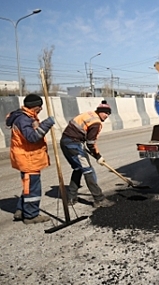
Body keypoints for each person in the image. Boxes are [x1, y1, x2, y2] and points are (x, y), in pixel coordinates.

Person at [6, 94, 55, 224]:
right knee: (33, 189)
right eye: (40, 107)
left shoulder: (26, 117)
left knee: (29, 186)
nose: (41, 109)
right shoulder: (23, 120)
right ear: (35, 107)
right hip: (28, 159)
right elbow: (32, 137)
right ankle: (31, 215)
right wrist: (46, 124)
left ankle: (20, 210)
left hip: (28, 157)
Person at [60, 100, 115, 208]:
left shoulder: (88, 114)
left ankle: (71, 197)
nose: (107, 116)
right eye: (106, 113)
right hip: (74, 144)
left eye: (109, 114)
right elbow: (91, 143)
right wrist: (98, 156)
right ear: (100, 112)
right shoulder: (96, 123)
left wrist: (96, 155)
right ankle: (99, 199)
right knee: (88, 170)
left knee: (78, 169)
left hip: (65, 142)